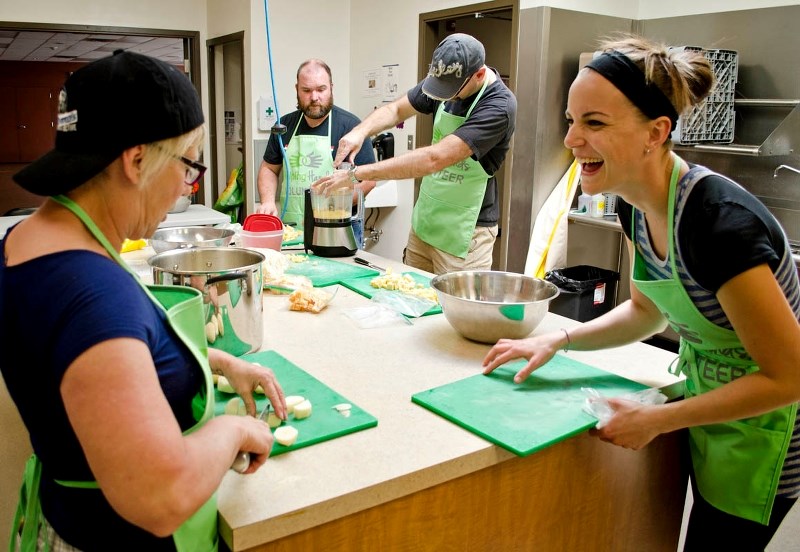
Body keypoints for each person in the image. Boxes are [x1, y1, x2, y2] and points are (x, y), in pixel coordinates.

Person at [482, 34, 800, 550]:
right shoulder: (634, 205)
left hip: (769, 432)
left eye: (595, 123)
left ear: (656, 132)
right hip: (712, 402)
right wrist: (558, 340)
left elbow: (790, 376)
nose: (571, 140)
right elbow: (646, 313)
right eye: (571, 120)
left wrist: (658, 418)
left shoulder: (716, 224)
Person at [1, 50, 287, 551]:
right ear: (135, 161)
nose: (187, 184)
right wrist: (236, 432)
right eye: (188, 165)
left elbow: (98, 360)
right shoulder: (91, 292)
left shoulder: (30, 241)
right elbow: (161, 495)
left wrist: (215, 361)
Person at [313, 33, 517, 275]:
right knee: (410, 298)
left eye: (450, 92)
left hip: (465, 234)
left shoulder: (498, 106)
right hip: (427, 222)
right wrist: (360, 132)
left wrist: (356, 175)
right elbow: (397, 109)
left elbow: (435, 159)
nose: (441, 96)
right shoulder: (446, 78)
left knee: (454, 308)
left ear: (479, 75)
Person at [256, 58, 376, 237]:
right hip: (292, 230)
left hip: (338, 232)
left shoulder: (351, 127)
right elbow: (269, 169)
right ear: (296, 89)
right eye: (306, 90)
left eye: (321, 89)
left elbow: (369, 180)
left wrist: (335, 204)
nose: (314, 97)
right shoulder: (284, 126)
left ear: (331, 88)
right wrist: (267, 201)